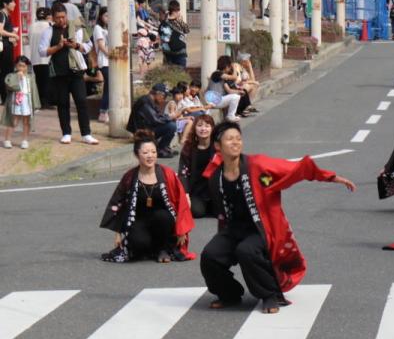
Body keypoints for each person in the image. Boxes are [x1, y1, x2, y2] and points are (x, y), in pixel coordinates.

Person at [200, 120, 356, 314]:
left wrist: (331, 177)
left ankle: (270, 294)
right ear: (217, 146)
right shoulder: (216, 176)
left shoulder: (257, 165)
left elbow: (295, 169)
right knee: (210, 255)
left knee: (246, 251)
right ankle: (229, 294)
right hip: (233, 229)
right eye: (229, 139)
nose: (235, 143)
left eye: (238, 139)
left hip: (261, 228)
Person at [100, 131, 195, 263]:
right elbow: (118, 203)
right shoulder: (130, 177)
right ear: (136, 155)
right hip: (139, 220)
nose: (150, 156)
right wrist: (118, 233)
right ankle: (149, 248)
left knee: (163, 217)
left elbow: (182, 203)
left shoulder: (167, 174)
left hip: (163, 221)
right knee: (138, 244)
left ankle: (163, 249)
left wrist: (182, 230)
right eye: (145, 153)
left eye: (153, 152)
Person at [40, 2, 97, 145]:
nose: (61, 20)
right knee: (62, 103)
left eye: (63, 17)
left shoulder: (76, 28)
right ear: (52, 18)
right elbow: (42, 51)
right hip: (59, 72)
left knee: (81, 102)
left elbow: (88, 45)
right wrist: (58, 46)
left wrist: (76, 45)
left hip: (76, 71)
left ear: (66, 15)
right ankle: (66, 133)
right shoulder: (48, 32)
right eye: (58, 17)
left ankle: (86, 134)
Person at [178, 113, 217, 217]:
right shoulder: (188, 148)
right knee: (197, 212)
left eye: (207, 126)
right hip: (197, 190)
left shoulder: (219, 147)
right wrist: (185, 194)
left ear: (212, 128)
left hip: (215, 189)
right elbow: (183, 173)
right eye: (199, 125)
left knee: (220, 212)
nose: (203, 129)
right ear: (194, 128)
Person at [128, 83, 180, 156]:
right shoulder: (145, 102)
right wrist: (170, 117)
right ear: (158, 94)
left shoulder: (150, 101)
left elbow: (158, 115)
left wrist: (169, 116)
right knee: (171, 126)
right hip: (142, 132)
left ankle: (164, 147)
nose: (164, 99)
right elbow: (156, 120)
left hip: (147, 128)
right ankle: (160, 149)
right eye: (164, 96)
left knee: (170, 123)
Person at [2, 56, 38, 150]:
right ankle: (7, 140)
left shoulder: (30, 77)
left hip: (26, 101)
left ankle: (25, 140)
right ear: (16, 66)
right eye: (19, 66)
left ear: (27, 66)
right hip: (15, 101)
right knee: (13, 121)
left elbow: (34, 91)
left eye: (23, 66)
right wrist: (17, 78)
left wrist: (36, 104)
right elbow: (9, 85)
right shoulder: (11, 76)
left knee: (26, 121)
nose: (21, 68)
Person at [92, 6, 110, 124]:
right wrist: (111, 55)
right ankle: (103, 111)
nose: (108, 18)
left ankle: (105, 111)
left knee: (109, 87)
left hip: (110, 61)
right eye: (106, 16)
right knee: (110, 86)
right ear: (101, 16)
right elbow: (101, 45)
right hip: (104, 61)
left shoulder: (108, 28)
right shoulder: (98, 28)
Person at [0, 0, 18, 104]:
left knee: (6, 71)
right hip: (4, 49)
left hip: (7, 47)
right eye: (12, 2)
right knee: (5, 72)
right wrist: (13, 35)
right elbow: (0, 30)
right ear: (5, 4)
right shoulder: (1, 15)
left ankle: (6, 96)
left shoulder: (7, 16)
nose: (14, 4)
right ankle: (5, 97)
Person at [160, 0, 189, 67]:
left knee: (170, 74)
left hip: (168, 53)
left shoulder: (163, 23)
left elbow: (162, 38)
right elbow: (186, 30)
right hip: (179, 53)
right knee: (180, 74)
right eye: (178, 11)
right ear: (175, 11)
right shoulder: (177, 22)